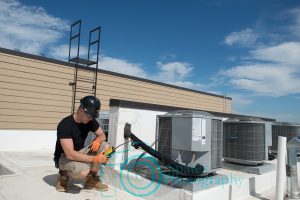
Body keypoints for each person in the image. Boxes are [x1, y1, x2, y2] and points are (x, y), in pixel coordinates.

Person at [54, 95, 110, 192]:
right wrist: (94, 159)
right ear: (81, 110)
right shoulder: (65, 125)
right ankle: (63, 176)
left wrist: (97, 140)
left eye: (92, 117)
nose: (90, 119)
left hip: (80, 151)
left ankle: (91, 179)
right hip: (64, 157)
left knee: (107, 148)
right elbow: (70, 154)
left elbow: (102, 135)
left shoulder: (90, 120)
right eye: (89, 116)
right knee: (83, 171)